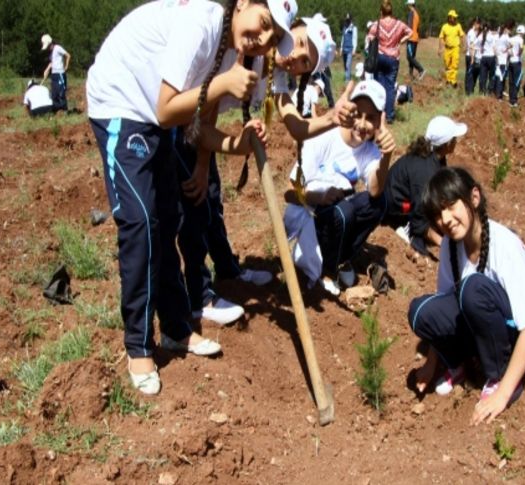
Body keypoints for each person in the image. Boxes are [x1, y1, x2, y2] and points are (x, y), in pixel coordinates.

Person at [86, 0, 297, 394]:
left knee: (167, 219)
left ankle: (177, 330)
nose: (263, 37)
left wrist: (240, 143)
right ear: (245, 4)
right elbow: (167, 111)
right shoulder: (202, 21)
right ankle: (138, 345)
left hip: (152, 114)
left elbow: (196, 129)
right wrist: (221, 84)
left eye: (272, 38)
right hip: (122, 101)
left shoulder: (232, 50)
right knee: (142, 223)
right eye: (264, 22)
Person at [175, 14, 346, 326]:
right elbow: (206, 106)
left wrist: (331, 118)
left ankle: (228, 270)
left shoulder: (274, 71)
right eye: (300, 43)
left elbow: (294, 124)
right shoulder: (248, 46)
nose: (295, 57)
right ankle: (199, 296)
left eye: (304, 63)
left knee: (211, 199)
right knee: (195, 204)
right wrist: (201, 164)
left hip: (198, 123)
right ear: (290, 28)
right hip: (182, 116)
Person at [408, 167, 525, 424]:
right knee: (421, 311)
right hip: (486, 321)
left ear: (474, 198)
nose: (446, 219)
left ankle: (499, 374)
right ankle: (459, 364)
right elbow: (445, 308)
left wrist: (503, 393)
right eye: (438, 214)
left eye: (451, 206)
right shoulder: (451, 245)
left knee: (472, 288)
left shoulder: (503, 245)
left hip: (522, 331)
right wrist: (432, 363)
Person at [283, 79, 396, 295]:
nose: (362, 124)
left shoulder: (369, 150)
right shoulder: (323, 136)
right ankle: (328, 269)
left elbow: (374, 191)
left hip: (337, 210)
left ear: (380, 120)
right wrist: (318, 196)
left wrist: (386, 156)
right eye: (357, 114)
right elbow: (289, 192)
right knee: (344, 212)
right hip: (310, 210)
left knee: (379, 203)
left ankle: (341, 258)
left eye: (370, 118)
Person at [383, 115, 467, 256]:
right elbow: (419, 218)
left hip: (412, 202)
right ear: (446, 144)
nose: (456, 141)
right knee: (421, 229)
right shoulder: (425, 172)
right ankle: (408, 233)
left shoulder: (436, 158)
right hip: (396, 212)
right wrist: (444, 244)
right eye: (454, 139)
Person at [367, 0, 412, 123]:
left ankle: (378, 113)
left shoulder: (377, 24)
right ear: (391, 12)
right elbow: (410, 32)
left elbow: (370, 37)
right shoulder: (399, 24)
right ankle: (389, 116)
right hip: (393, 58)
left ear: (381, 11)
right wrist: (400, 41)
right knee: (390, 87)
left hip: (380, 57)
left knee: (379, 86)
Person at [41, 34, 71, 112]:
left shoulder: (58, 48)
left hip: (60, 74)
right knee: (54, 94)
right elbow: (52, 62)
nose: (47, 48)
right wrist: (46, 70)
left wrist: (66, 66)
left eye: (47, 46)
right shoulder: (51, 52)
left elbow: (68, 55)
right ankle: (56, 110)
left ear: (50, 43)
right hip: (54, 74)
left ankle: (64, 110)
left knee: (61, 93)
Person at [438, 10, 464, 88]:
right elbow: (441, 37)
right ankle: (448, 80)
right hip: (447, 48)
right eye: (454, 17)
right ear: (449, 18)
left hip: (455, 48)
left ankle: (453, 81)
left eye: (456, 17)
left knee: (454, 64)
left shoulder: (458, 26)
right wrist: (440, 48)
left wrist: (463, 46)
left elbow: (462, 36)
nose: (455, 19)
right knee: (447, 64)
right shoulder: (444, 26)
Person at [405, 0, 426, 80]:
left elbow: (409, 26)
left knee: (409, 57)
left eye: (408, 5)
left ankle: (421, 70)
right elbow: (417, 28)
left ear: (410, 5)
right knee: (412, 57)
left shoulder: (411, 13)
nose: (407, 6)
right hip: (415, 38)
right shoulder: (417, 14)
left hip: (411, 38)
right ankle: (410, 75)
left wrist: (406, 36)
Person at [476, 23, 496, 95]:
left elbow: (474, 44)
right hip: (491, 57)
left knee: (483, 75)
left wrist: (480, 49)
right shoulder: (491, 36)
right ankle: (490, 91)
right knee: (491, 75)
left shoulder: (481, 36)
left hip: (483, 57)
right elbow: (494, 47)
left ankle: (482, 91)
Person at [508, 25, 524, 107]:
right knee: (516, 81)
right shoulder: (520, 39)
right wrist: (519, 54)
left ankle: (510, 100)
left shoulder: (511, 39)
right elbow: (521, 48)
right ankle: (514, 100)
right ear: (522, 33)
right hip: (517, 62)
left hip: (511, 61)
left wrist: (511, 54)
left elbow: (508, 48)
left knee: (511, 81)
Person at [494, 24, 511, 100]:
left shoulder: (497, 37)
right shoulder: (505, 37)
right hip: (503, 60)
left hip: (497, 60)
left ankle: (497, 93)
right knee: (502, 78)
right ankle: (499, 96)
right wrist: (507, 50)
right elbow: (510, 45)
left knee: (498, 77)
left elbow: (494, 48)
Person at [464, 18, 481, 95]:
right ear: (475, 23)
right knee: (470, 73)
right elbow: (471, 46)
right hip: (470, 55)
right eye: (478, 24)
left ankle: (469, 89)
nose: (479, 26)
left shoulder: (474, 32)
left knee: (471, 73)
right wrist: (472, 58)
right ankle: (469, 91)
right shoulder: (471, 33)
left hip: (472, 55)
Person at [340, 14, 358, 82]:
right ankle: (348, 76)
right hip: (344, 48)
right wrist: (341, 48)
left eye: (348, 20)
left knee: (348, 64)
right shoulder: (344, 27)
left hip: (350, 49)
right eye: (346, 20)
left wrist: (354, 49)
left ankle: (347, 80)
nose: (347, 21)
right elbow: (343, 38)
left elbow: (355, 39)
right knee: (345, 65)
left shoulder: (354, 28)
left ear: (351, 20)